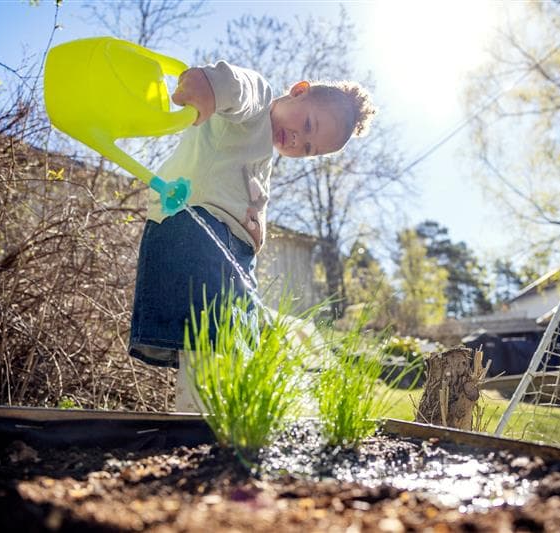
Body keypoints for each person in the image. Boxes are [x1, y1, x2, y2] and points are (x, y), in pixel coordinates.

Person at [127, 62, 376, 411]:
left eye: (308, 148)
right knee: (208, 348)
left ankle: (222, 426)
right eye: (307, 125)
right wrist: (208, 87)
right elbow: (235, 85)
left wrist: (255, 230)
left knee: (234, 351)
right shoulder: (257, 103)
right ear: (299, 90)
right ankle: (197, 430)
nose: (297, 140)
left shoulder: (262, 156)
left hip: (231, 255)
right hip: (195, 230)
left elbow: (243, 197)